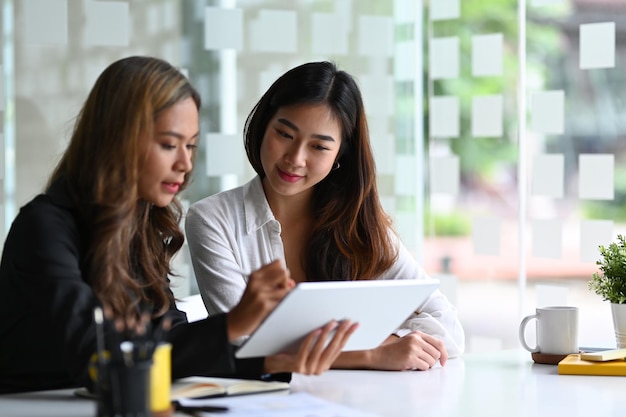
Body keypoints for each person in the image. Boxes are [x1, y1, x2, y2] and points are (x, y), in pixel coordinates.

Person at [0, 56, 357, 394]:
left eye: (190, 146)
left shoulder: (140, 228)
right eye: (169, 145)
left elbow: (170, 341)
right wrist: (233, 324)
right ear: (116, 140)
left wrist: (269, 360)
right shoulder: (43, 228)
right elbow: (97, 358)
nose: (185, 164)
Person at [185, 61, 465, 372]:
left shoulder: (360, 225)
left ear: (339, 157)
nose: (295, 158)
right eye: (284, 134)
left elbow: (448, 326)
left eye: (318, 146)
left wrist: (393, 343)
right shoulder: (212, 220)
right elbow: (243, 344)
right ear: (264, 125)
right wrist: (372, 352)